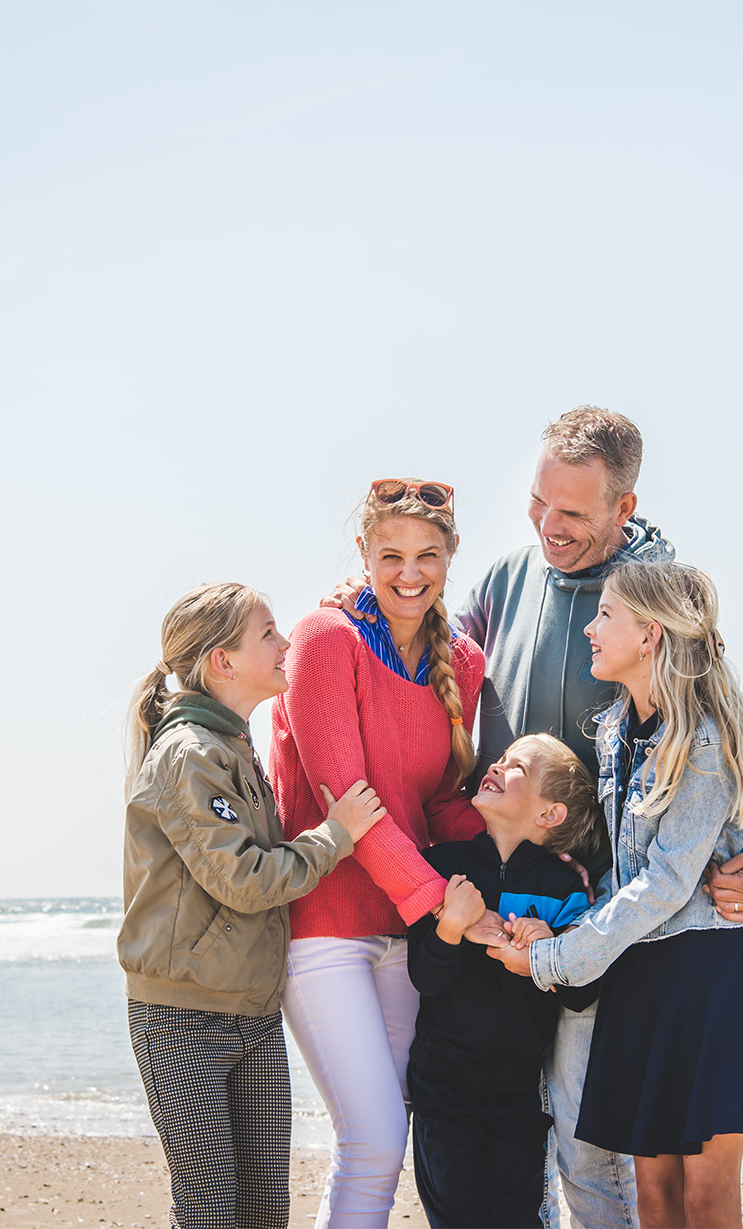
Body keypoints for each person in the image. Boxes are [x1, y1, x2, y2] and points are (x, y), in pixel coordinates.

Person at [327, 407, 743, 1228]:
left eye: (573, 512)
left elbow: (719, 744)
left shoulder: (652, 600)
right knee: (506, 1127)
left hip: (610, 923)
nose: (549, 526)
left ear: (625, 507)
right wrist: (363, 607)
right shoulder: (506, 583)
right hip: (505, 910)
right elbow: (425, 641)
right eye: (539, 502)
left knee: (587, 1140)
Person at [490, 560, 743, 1229]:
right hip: (642, 974)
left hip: (712, 977)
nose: (592, 631)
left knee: (706, 1198)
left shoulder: (707, 738)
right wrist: (556, 931)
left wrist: (557, 960)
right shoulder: (612, 731)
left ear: (651, 634)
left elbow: (664, 882)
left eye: (605, 617)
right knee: (654, 1198)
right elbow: (622, 874)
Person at [119, 582, 388, 1229]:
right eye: (268, 632)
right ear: (223, 661)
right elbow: (243, 877)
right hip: (181, 1018)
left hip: (254, 1014)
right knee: (212, 1213)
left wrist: (366, 609)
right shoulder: (189, 755)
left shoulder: (233, 743)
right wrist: (336, 835)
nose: (286, 642)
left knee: (265, 1212)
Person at [271, 480, 500, 1229]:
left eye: (428, 555)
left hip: (405, 936)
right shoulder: (323, 637)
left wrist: (528, 845)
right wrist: (448, 906)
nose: (410, 573)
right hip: (325, 924)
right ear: (363, 551)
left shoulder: (460, 661)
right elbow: (355, 804)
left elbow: (436, 803)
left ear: (451, 555)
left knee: (382, 1144)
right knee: (373, 1139)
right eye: (391, 554)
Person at [405, 734, 611, 1229]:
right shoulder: (443, 866)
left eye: (515, 765)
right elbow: (425, 979)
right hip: (443, 1086)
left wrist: (550, 949)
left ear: (549, 815)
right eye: (498, 758)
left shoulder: (563, 890)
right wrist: (451, 926)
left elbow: (583, 992)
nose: (495, 766)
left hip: (518, 1093)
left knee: (518, 1217)